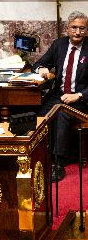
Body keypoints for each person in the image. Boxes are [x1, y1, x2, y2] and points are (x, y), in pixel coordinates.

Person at [32, 10, 88, 182]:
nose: (78, 32)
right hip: (59, 94)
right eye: (74, 28)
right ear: (67, 28)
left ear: (86, 30)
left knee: (63, 114)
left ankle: (58, 162)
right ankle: (40, 156)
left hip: (82, 99)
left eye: (82, 28)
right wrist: (41, 69)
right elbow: (39, 63)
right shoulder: (59, 45)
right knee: (41, 116)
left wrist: (78, 95)